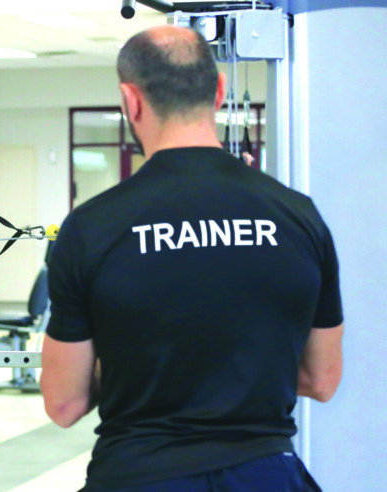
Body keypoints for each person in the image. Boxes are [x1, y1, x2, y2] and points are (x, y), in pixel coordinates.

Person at [40, 25, 344, 491]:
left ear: (131, 100)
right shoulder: (298, 215)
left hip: (138, 475)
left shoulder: (92, 226)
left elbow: (64, 403)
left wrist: (138, 365)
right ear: (220, 91)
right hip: (265, 475)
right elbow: (322, 379)